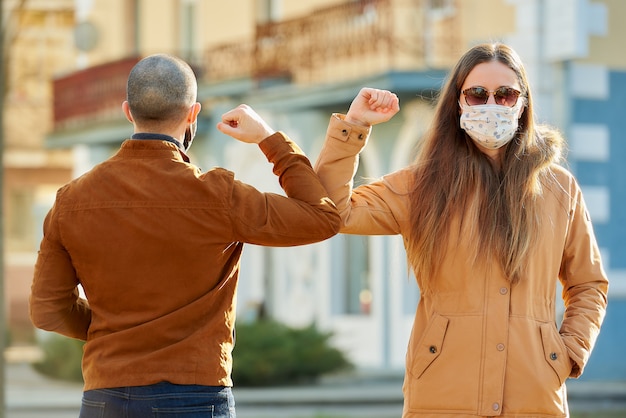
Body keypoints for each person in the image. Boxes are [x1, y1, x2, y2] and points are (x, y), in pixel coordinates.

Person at [29, 53, 340, 418]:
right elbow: (321, 217)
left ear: (128, 112)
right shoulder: (217, 195)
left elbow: (47, 310)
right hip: (193, 396)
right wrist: (268, 138)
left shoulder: (72, 201)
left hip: (104, 397)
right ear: (193, 114)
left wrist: (112, 334)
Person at [313, 43, 608, 417]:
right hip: (442, 395)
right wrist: (354, 126)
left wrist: (565, 354)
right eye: (477, 94)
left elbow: (588, 284)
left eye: (506, 94)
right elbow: (332, 213)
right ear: (458, 103)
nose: (491, 105)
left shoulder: (559, 188)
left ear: (523, 103)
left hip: (535, 398)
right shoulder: (422, 185)